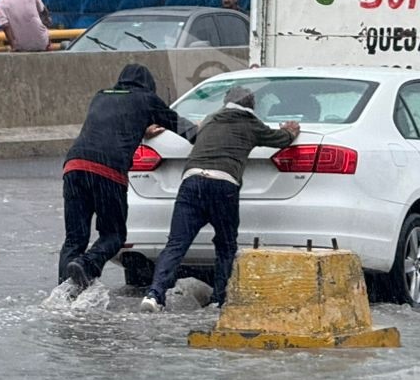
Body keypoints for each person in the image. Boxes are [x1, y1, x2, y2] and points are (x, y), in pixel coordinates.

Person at [141, 84, 299, 312]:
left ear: (225, 103)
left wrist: (160, 128)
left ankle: (154, 295)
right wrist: (291, 131)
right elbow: (280, 139)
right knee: (225, 246)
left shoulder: (210, 120)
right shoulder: (251, 124)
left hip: (192, 182)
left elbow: (194, 134)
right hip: (223, 186)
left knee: (176, 244)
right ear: (252, 105)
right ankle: (219, 300)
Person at [59, 63, 198, 292]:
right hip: (107, 171)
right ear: (148, 86)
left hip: (74, 166)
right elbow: (186, 130)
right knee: (114, 235)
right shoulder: (147, 99)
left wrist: (140, 127)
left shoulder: (101, 96)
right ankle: (87, 263)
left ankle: (63, 295)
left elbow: (109, 125)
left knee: (74, 239)